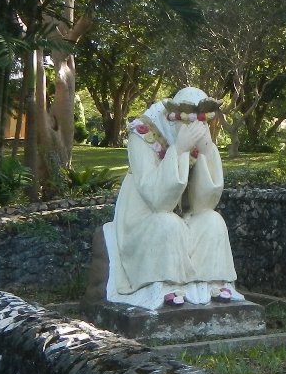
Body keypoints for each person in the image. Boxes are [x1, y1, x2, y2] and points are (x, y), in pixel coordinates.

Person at [104, 86, 243, 310]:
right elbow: (157, 200)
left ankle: (214, 282)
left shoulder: (196, 138)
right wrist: (178, 149)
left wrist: (207, 150)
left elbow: (203, 203)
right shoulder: (142, 133)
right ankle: (166, 284)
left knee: (212, 220)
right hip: (143, 219)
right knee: (167, 223)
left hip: (181, 216)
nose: (194, 127)